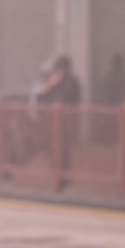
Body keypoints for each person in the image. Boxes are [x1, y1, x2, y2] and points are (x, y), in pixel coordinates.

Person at [36, 55, 81, 190]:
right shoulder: (67, 81)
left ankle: (60, 180)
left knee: (59, 151)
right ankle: (59, 179)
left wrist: (51, 83)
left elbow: (44, 96)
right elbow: (41, 97)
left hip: (63, 123)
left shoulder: (67, 82)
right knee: (58, 151)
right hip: (60, 123)